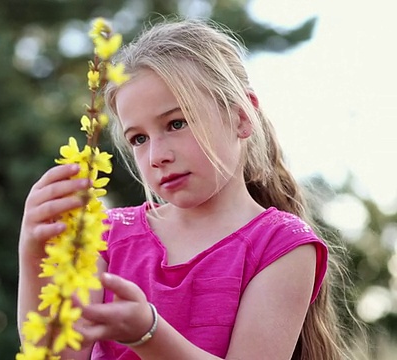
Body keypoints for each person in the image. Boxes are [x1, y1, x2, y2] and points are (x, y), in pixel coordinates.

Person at [18, 17, 355, 359]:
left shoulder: (283, 246)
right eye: (139, 138)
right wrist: (33, 258)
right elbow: (56, 355)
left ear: (241, 117)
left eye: (176, 123)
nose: (156, 156)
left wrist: (149, 334)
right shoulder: (106, 235)